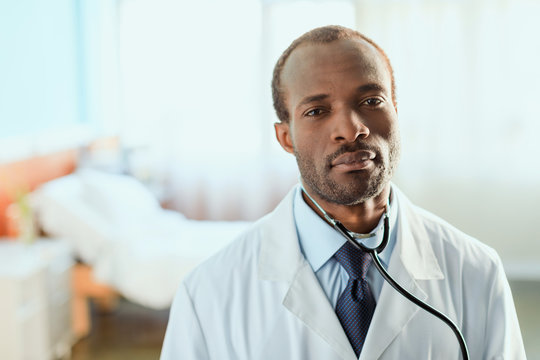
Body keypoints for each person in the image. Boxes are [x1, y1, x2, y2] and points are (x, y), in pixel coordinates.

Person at [160, 25, 526, 359]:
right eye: (318, 111)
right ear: (285, 137)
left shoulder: (476, 271)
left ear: (396, 111)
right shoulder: (208, 293)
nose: (351, 130)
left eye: (371, 102)